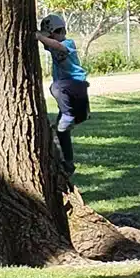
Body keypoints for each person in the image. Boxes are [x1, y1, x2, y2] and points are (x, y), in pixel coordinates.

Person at [36, 14, 89, 176]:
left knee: (56, 87)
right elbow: (49, 44)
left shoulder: (67, 43)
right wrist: (41, 36)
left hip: (76, 85)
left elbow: (59, 47)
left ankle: (69, 115)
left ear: (58, 32)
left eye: (51, 36)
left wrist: (40, 37)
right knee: (61, 131)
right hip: (68, 92)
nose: (50, 40)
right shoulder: (52, 43)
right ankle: (68, 163)